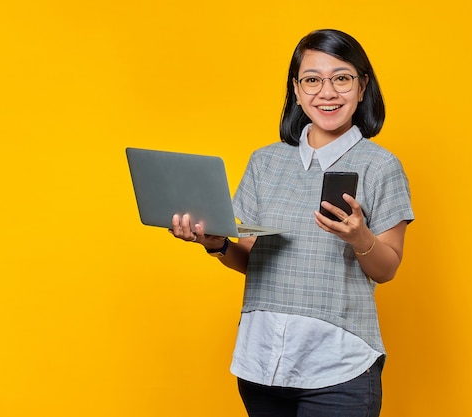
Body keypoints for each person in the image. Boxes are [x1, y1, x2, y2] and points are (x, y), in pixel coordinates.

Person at [170, 29, 414, 417]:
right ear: (297, 91)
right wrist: (217, 244)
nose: (327, 92)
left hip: (338, 366)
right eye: (312, 80)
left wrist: (360, 236)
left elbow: (387, 269)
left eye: (342, 78)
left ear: (363, 86)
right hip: (261, 361)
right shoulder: (265, 162)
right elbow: (253, 258)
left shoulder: (380, 166)